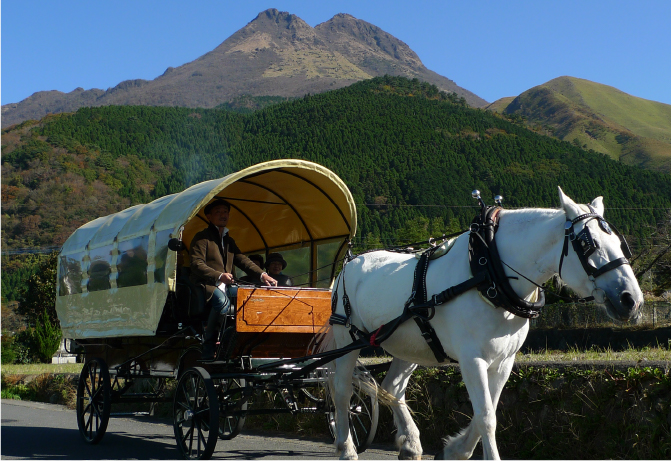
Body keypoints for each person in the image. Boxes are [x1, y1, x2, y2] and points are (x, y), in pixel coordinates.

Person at [190, 199, 277, 360]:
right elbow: (196, 264)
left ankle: (243, 342)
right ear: (209, 216)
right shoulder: (202, 238)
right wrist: (219, 275)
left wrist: (262, 275)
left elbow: (242, 260)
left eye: (225, 212)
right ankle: (210, 346)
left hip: (228, 285)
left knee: (254, 298)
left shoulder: (228, 241)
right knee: (223, 305)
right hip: (207, 285)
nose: (223, 215)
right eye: (218, 212)